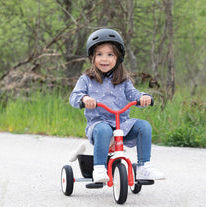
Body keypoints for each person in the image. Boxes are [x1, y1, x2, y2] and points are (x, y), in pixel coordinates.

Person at [69, 28, 165, 183]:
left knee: (144, 126)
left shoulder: (123, 80)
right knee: (104, 128)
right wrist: (85, 98)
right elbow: (74, 97)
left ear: (118, 58)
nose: (104, 59)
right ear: (92, 57)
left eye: (110, 54)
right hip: (98, 125)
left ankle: (143, 166)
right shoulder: (86, 79)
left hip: (122, 125)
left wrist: (144, 97)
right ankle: (99, 168)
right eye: (99, 54)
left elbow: (134, 95)